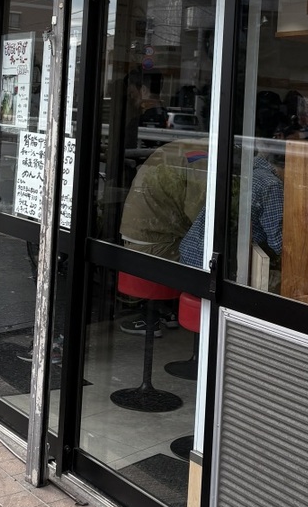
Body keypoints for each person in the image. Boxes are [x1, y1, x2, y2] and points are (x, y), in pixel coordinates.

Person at [179, 96, 289, 290]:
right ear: (279, 141)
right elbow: (281, 245)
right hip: (216, 270)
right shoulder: (270, 185)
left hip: (191, 255)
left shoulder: (242, 171)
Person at [118, 138, 209, 334]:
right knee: (207, 261)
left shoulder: (180, 148)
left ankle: (163, 311)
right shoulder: (199, 159)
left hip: (138, 233)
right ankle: (158, 317)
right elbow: (200, 214)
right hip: (154, 243)